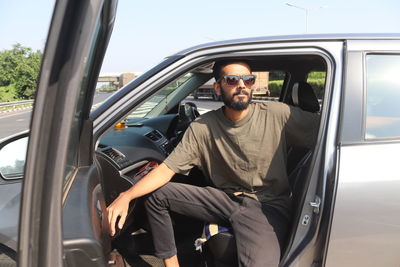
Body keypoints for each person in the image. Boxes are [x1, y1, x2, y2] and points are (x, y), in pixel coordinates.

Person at [106, 60, 319, 267]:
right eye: (233, 80)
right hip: (225, 200)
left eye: (248, 79)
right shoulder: (203, 127)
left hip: (267, 206)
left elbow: (332, 132)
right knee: (156, 195)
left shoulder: (276, 114)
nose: (242, 85)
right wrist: (126, 196)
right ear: (217, 87)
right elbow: (167, 169)